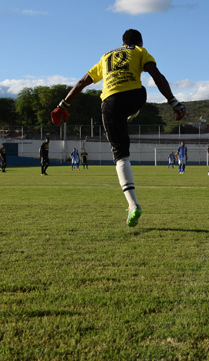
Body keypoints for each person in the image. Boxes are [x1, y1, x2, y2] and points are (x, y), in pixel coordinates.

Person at [51, 29, 186, 227]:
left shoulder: (106, 56)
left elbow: (82, 82)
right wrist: (173, 102)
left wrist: (62, 105)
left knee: (120, 155)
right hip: (135, 97)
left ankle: (133, 205)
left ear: (122, 42)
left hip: (110, 103)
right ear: (139, 42)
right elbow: (156, 74)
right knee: (141, 91)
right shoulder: (140, 51)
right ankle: (132, 113)